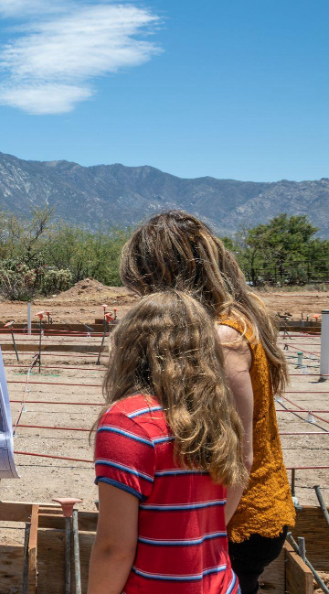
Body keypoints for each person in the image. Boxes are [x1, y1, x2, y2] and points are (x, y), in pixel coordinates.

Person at [120, 210, 294, 594]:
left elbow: (240, 456)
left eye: (146, 282)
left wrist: (201, 539)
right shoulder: (234, 317)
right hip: (235, 515)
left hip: (236, 521)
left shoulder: (222, 337)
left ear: (166, 275)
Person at [89, 291, 246, 593]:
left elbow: (114, 549)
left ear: (129, 347)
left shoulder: (128, 423)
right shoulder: (218, 413)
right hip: (221, 584)